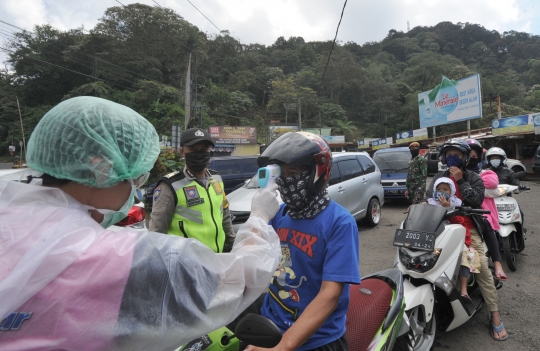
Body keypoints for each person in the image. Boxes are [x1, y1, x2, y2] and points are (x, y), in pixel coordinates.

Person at [0, 96, 282, 350]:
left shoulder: (10, 218)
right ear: (101, 170)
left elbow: (222, 221)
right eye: (135, 177)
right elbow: (243, 278)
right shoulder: (120, 260)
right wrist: (259, 217)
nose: (136, 187)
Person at [239, 132, 361, 351]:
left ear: (318, 173)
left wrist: (282, 346)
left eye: (293, 172)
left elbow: (330, 294)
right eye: (281, 174)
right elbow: (248, 261)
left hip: (316, 338)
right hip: (271, 324)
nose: (286, 180)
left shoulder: (339, 223)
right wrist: (258, 215)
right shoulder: (280, 214)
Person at [425, 138, 508, 341]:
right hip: (440, 226)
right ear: (444, 157)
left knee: (480, 267)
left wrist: (461, 180)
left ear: (464, 158)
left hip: (468, 228)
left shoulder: (473, 177)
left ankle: (494, 313)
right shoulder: (439, 177)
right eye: (449, 154)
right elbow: (427, 199)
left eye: (457, 154)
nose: (453, 158)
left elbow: (476, 200)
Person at [149, 128, 235, 253]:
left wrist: (232, 245)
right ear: (182, 152)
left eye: (204, 150)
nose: (199, 154)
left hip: (217, 259)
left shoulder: (216, 179)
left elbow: (224, 215)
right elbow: (156, 232)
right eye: (193, 150)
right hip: (185, 264)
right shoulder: (170, 186)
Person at [427, 177, 480, 304]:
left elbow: (460, 222)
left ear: (451, 191)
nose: (441, 192)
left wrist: (448, 207)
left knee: (464, 255)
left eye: (445, 189)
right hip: (436, 236)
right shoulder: (429, 203)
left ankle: (463, 289)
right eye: (438, 189)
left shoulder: (456, 203)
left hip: (454, 237)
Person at [464, 139, 508, 281]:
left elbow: (493, 184)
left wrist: (467, 183)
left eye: (474, 156)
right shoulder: (456, 173)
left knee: (487, 227)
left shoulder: (486, 172)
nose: (471, 158)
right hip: (462, 212)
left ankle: (497, 263)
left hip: (482, 213)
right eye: (468, 155)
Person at [485, 146, 524, 226]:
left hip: (507, 198)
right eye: (492, 158)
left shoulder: (509, 172)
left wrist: (519, 186)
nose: (494, 160)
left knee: (520, 213)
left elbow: (515, 182)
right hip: (491, 199)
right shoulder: (486, 172)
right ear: (488, 160)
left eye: (497, 158)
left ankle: (521, 233)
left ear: (502, 159)